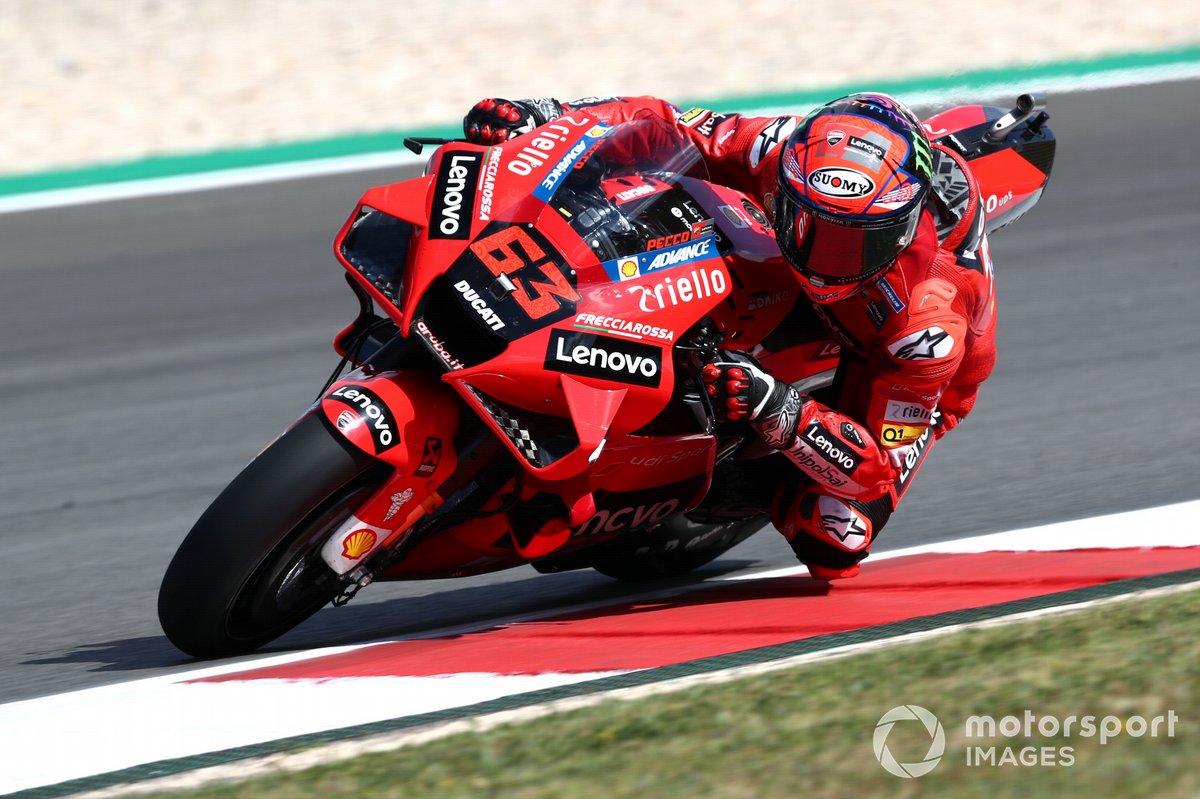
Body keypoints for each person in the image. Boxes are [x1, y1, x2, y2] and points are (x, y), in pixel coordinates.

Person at [462, 94, 997, 580]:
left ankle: (717, 471)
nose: (822, 257)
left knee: (836, 537)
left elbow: (871, 473)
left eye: (849, 243)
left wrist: (782, 411)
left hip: (893, 369)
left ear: (900, 230)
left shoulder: (926, 328)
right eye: (808, 223)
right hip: (767, 264)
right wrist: (550, 119)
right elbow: (657, 121)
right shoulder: (781, 149)